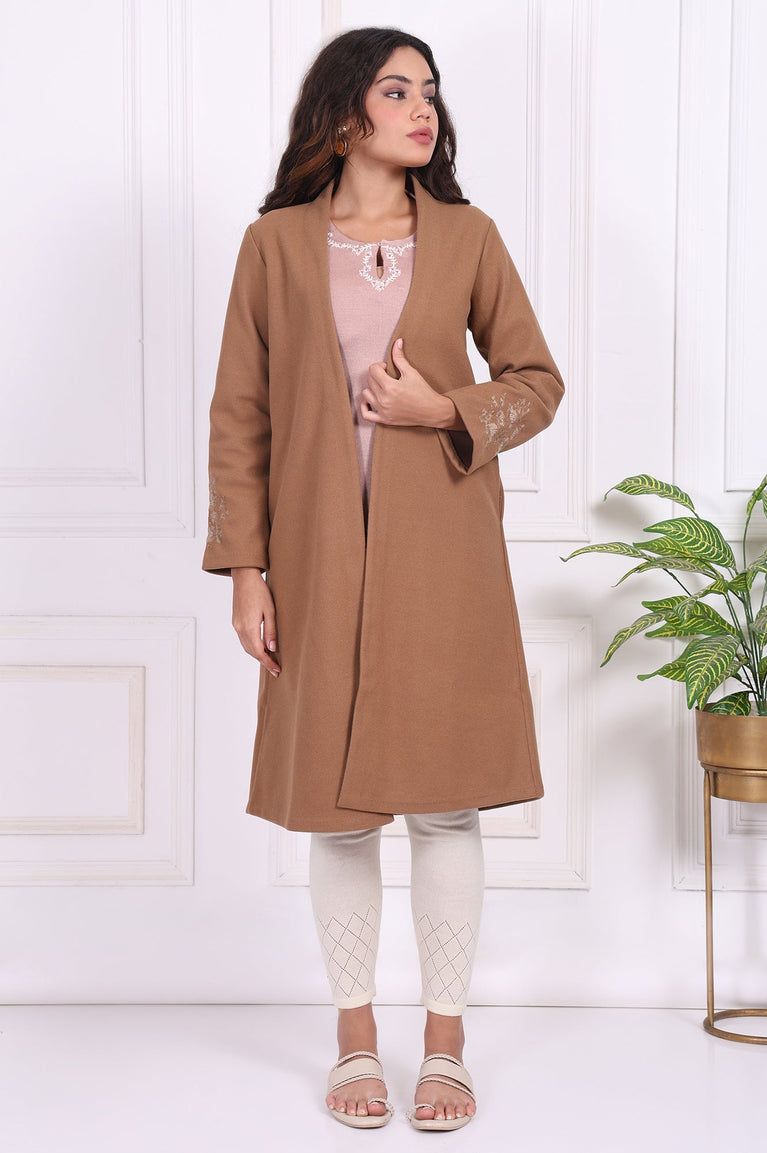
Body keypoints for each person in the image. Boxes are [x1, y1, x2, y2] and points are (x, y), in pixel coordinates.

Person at [203, 26, 565, 1131]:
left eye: (430, 93)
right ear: (343, 110)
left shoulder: (467, 237)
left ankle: (444, 1045)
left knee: (445, 805)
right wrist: (247, 568)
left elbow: (536, 381)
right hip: (316, 562)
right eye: (397, 90)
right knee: (341, 810)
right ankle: (354, 1039)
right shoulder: (272, 246)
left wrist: (440, 408)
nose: (423, 109)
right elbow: (240, 417)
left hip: (444, 559)